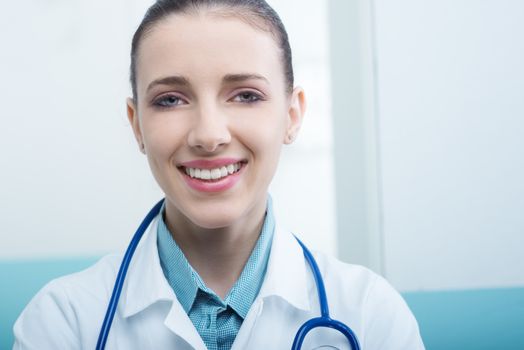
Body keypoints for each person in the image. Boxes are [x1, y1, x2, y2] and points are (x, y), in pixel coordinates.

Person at [13, 0, 425, 349]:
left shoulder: (370, 314)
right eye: (171, 100)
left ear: (292, 114)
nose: (209, 136)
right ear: (136, 125)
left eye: (246, 95)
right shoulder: (61, 323)